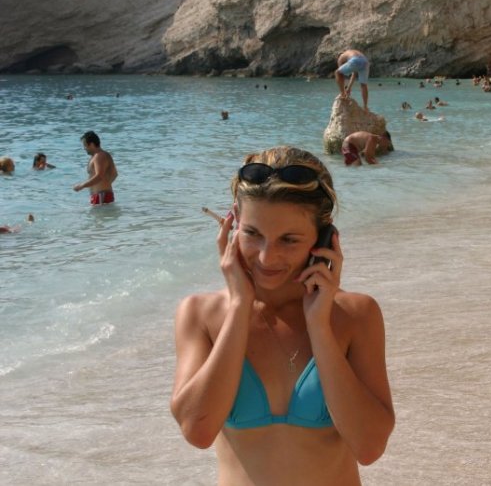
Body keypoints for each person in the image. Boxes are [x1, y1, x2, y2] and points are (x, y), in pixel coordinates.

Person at [170, 146, 394, 484]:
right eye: (253, 234)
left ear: (324, 236)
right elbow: (197, 430)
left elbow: (369, 446)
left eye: (288, 239)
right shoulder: (201, 314)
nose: (266, 257)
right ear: (233, 222)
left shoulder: (354, 316)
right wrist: (239, 308)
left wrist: (319, 327)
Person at [73, 131, 118, 205]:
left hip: (101, 197)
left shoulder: (99, 156)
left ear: (91, 144)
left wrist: (81, 186)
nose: (84, 148)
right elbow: (115, 174)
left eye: (85, 145)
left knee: (100, 216)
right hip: (101, 196)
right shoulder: (100, 155)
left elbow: (99, 176)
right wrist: (105, 184)